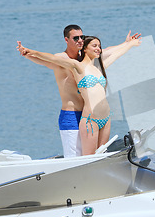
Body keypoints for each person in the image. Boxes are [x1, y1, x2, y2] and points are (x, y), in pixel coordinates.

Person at [17, 25, 140, 157]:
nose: (80, 40)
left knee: (99, 155)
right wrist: (28, 53)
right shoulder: (65, 60)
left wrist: (127, 43)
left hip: (90, 113)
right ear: (66, 39)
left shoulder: (88, 60)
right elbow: (48, 59)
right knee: (75, 157)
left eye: (82, 37)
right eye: (76, 38)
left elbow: (108, 51)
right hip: (71, 115)